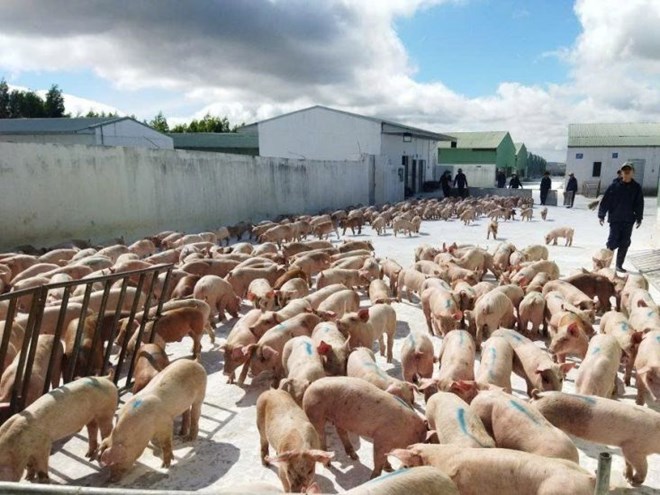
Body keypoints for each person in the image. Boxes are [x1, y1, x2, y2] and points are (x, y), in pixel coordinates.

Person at [597, 162, 643, 273]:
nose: (626, 173)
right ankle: (606, 265)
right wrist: (601, 215)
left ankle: (619, 265)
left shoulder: (636, 187)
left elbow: (639, 203)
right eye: (624, 171)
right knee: (612, 242)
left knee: (625, 242)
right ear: (621, 173)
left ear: (633, 173)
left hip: (628, 220)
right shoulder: (614, 186)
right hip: (615, 219)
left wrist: (639, 217)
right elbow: (606, 201)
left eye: (628, 171)